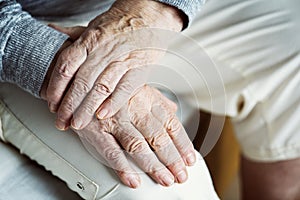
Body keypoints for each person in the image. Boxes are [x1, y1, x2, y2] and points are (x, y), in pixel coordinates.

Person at [0, 0, 219, 199]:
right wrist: (74, 74)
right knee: (167, 187)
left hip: (131, 7)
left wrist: (155, 12)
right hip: (28, 29)